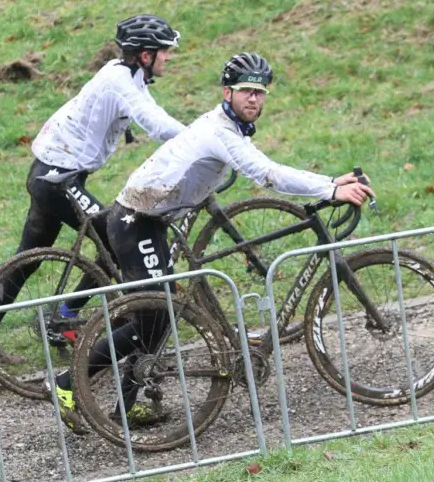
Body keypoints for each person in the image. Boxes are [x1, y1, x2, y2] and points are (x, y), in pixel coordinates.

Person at [53, 52, 375, 434]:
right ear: (227, 93)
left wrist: (332, 183)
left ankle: (126, 406)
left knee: (156, 322)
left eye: (260, 92)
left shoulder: (229, 128)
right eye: (245, 92)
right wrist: (328, 188)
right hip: (135, 222)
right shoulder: (221, 131)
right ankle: (66, 385)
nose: (253, 99)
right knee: (155, 316)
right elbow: (266, 172)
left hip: (149, 221)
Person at [0, 14, 186, 384]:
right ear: (144, 55)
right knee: (115, 238)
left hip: (51, 172)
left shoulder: (128, 76)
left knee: (28, 256)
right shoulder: (120, 81)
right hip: (57, 179)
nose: (169, 58)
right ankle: (65, 316)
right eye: (164, 51)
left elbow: (155, 115)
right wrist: (204, 142)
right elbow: (157, 124)